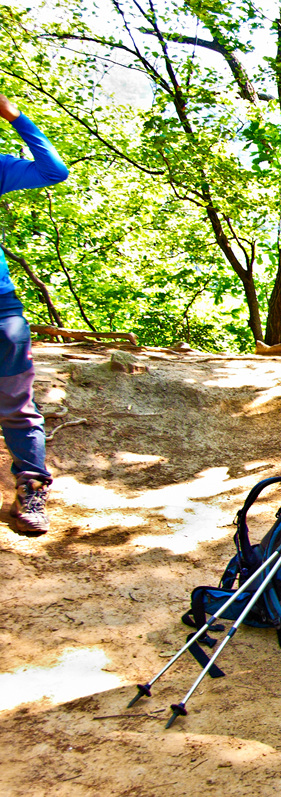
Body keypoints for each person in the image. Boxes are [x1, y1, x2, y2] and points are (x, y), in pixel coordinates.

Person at [0, 95, 69, 536]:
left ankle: (30, 488)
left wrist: (16, 117)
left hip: (1, 306)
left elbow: (53, 171)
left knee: (15, 403)